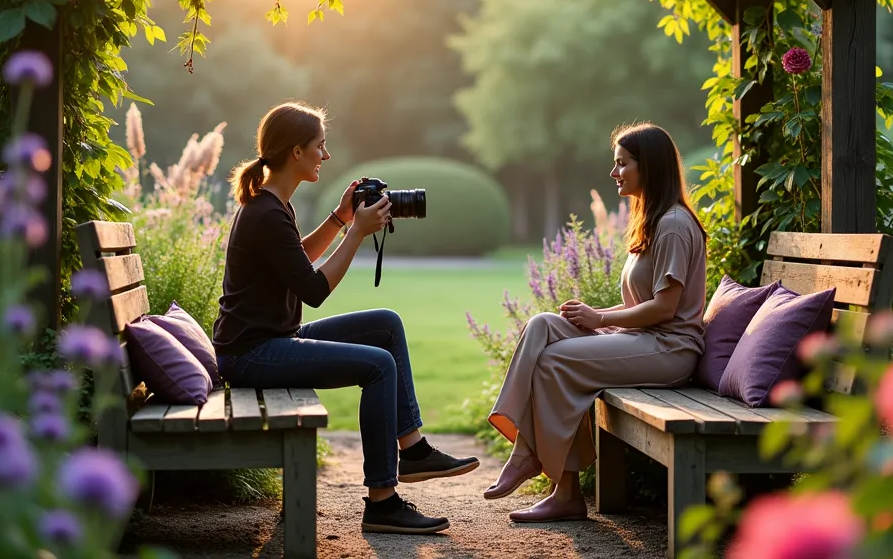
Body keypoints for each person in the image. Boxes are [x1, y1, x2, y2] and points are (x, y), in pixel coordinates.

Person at [213, 101, 479, 535]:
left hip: (270, 340)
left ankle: (412, 450)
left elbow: (297, 261)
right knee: (377, 365)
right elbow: (314, 291)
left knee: (385, 325)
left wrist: (340, 218)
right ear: (295, 152)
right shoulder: (264, 213)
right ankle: (382, 502)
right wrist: (356, 231)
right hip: (251, 355)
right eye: (320, 146)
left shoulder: (273, 206)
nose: (326, 155)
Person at [483, 122, 707, 522]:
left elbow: (664, 309)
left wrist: (599, 317)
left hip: (669, 349)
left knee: (554, 362)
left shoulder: (673, 225)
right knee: (542, 326)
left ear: (649, 167)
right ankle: (529, 455)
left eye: (622, 164)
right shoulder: (654, 220)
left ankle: (560, 488)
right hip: (641, 340)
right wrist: (603, 324)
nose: (613, 172)